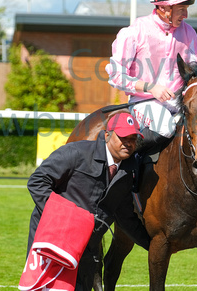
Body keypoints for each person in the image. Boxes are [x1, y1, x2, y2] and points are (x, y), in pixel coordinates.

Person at [26, 112, 151, 291]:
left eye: (133, 138)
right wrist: (66, 217)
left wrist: (152, 243)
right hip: (53, 241)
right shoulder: (76, 152)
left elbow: (125, 215)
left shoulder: (128, 169)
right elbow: (37, 181)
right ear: (107, 135)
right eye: (123, 137)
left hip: (87, 247)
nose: (128, 143)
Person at [105, 0, 197, 154]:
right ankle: (131, 171)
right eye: (182, 8)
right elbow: (116, 76)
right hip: (144, 102)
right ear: (165, 8)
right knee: (165, 127)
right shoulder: (134, 32)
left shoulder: (190, 33)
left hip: (179, 103)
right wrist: (151, 87)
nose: (186, 14)